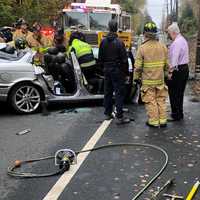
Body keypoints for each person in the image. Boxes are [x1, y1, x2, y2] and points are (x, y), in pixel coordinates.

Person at [134, 22, 169, 128]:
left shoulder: (142, 48)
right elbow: (166, 65)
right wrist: (166, 75)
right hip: (160, 80)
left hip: (148, 82)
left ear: (144, 34)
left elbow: (138, 67)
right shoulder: (162, 47)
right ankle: (163, 120)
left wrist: (136, 78)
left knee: (151, 101)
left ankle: (153, 122)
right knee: (161, 100)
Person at [98, 20, 130, 124]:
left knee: (107, 91)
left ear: (108, 27)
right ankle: (119, 116)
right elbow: (125, 60)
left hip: (107, 69)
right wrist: (126, 74)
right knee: (118, 93)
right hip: (117, 70)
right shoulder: (120, 43)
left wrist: (104, 68)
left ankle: (107, 113)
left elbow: (100, 58)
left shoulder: (103, 42)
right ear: (116, 28)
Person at [167, 23, 189, 121]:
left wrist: (170, 72)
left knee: (173, 92)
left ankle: (175, 114)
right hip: (185, 69)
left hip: (178, 70)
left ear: (173, 32)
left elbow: (175, 59)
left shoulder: (176, 43)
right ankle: (179, 113)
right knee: (180, 93)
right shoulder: (183, 40)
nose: (169, 35)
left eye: (169, 33)